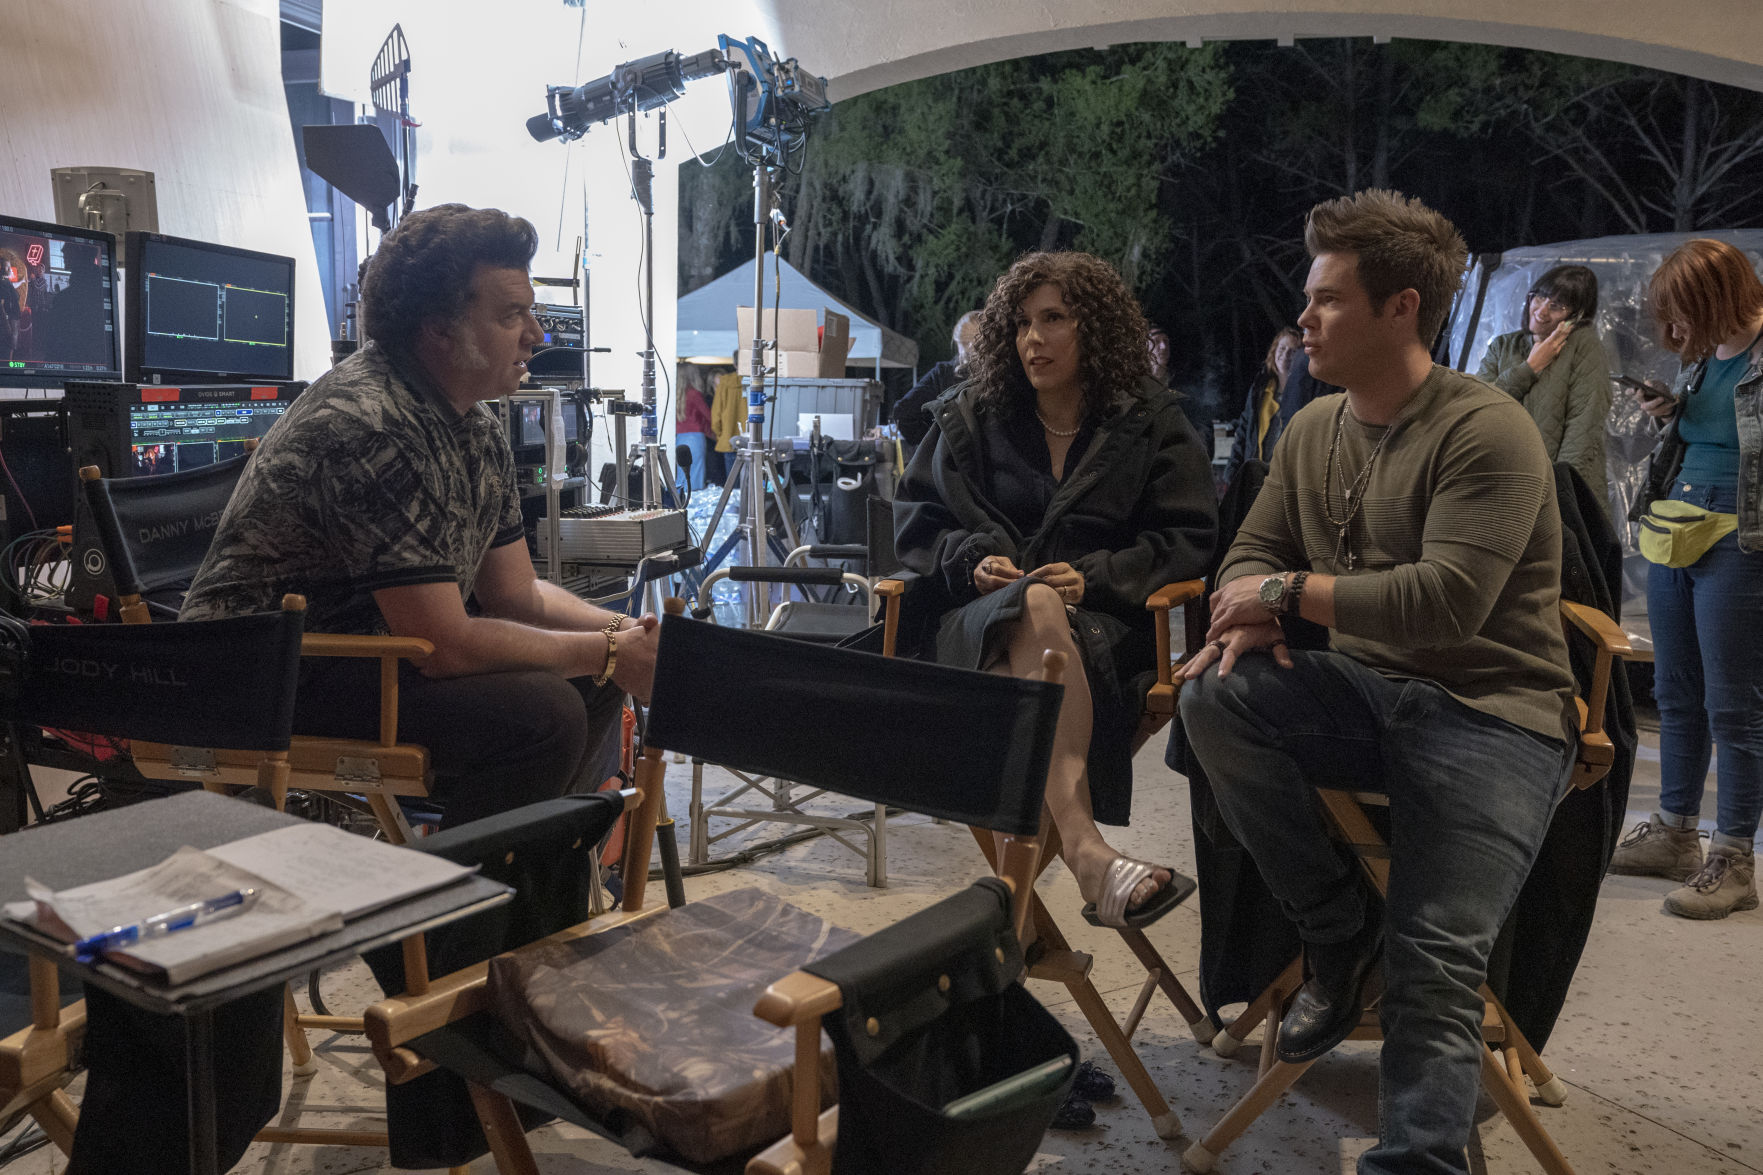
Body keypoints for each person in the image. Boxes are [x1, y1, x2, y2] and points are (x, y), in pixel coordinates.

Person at [1178, 190, 1577, 1175]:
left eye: (1325, 298)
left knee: (1436, 950)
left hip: (1496, 712)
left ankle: (1419, 1159)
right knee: (1212, 697)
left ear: (1400, 306)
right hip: (1363, 691)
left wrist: (1283, 589)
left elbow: (1443, 604)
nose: (1303, 318)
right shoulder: (1311, 428)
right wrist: (1252, 596)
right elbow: (1247, 555)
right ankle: (1333, 928)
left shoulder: (1487, 428)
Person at [181, 203, 656, 828]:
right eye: (512, 315)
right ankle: (466, 914)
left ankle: (532, 898)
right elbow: (444, 645)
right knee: (545, 711)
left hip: (365, 658)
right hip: (264, 678)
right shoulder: (369, 423)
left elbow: (517, 593)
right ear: (438, 330)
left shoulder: (475, 426)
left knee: (585, 680)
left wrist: (627, 635)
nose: (537, 335)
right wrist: (611, 653)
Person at [894, 251, 1217, 929]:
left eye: (1053, 319)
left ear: (1093, 329)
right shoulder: (969, 417)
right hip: (975, 622)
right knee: (1032, 601)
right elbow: (920, 524)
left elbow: (1186, 539)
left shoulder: (1152, 420)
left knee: (1042, 608)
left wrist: (1094, 574)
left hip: (1105, 628)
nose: (1031, 338)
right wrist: (972, 562)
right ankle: (1087, 851)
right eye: (1019, 324)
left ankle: (1006, 930)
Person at [1607, 238, 1762, 919]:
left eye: (1679, 315)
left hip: (1740, 538)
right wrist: (1672, 413)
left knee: (1733, 705)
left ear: (1713, 299)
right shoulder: (1701, 363)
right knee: (1674, 692)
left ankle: (1732, 858)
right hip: (1675, 529)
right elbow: (1706, 433)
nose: (1671, 331)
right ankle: (1674, 833)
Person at [1476, 264, 1613, 504]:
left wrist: (1558, 494)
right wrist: (1529, 368)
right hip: (1500, 484)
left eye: (1556, 306)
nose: (1540, 311)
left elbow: (1583, 428)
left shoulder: (1584, 347)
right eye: (1539, 297)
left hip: (1554, 495)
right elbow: (1477, 410)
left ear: (1577, 315)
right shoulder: (1504, 345)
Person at [892, 310, 980, 445]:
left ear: (960, 343)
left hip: (952, 461)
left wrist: (934, 445)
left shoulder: (944, 374)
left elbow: (903, 413)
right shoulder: (1008, 373)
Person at [1226, 326, 1301, 477]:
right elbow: (1244, 429)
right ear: (1274, 351)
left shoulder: (1304, 394)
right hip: (1256, 475)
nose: (1285, 355)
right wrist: (1233, 468)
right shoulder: (1260, 389)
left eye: (1292, 351)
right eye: (1282, 348)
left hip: (1285, 479)